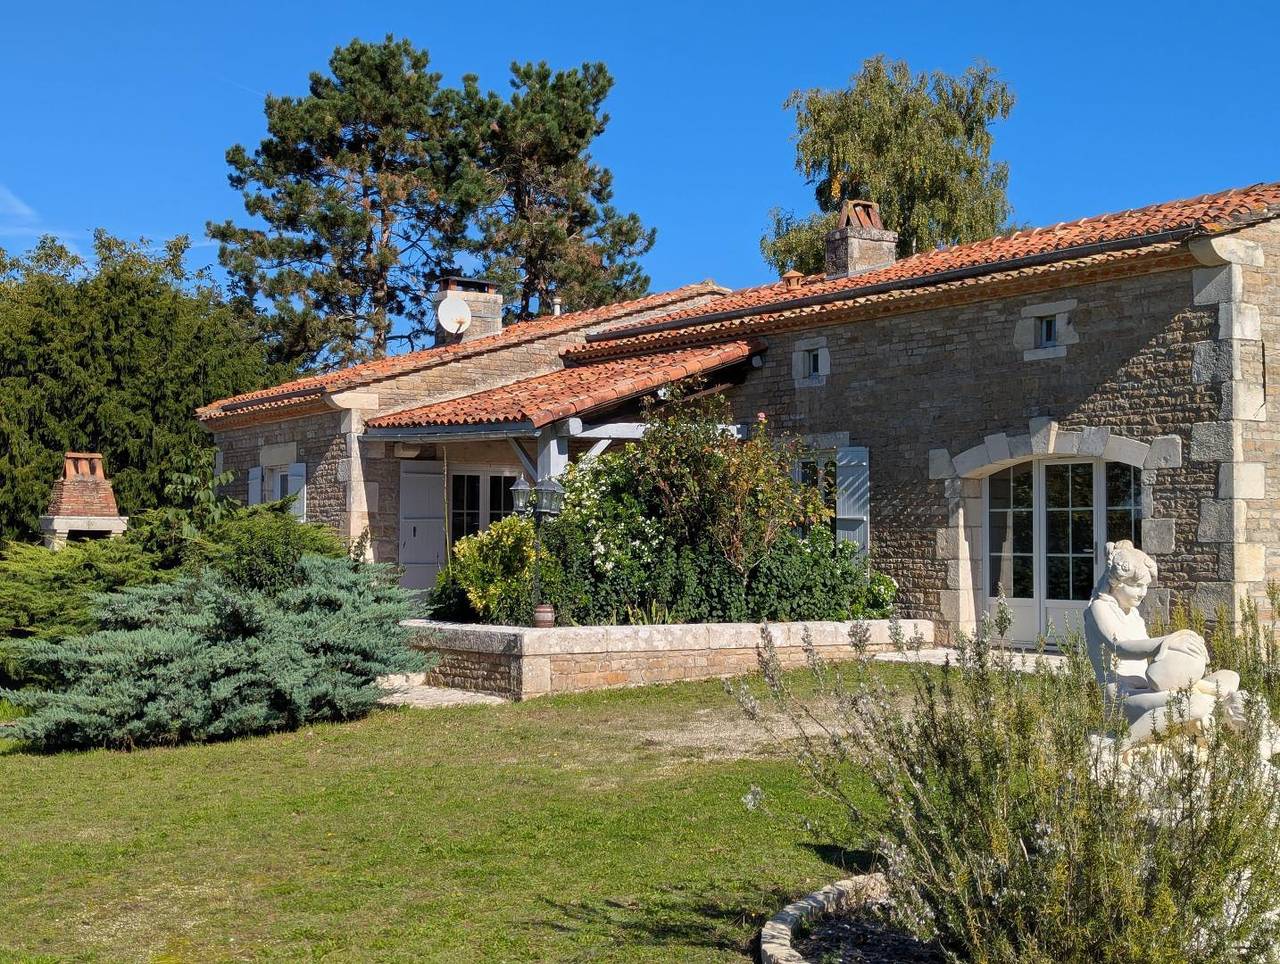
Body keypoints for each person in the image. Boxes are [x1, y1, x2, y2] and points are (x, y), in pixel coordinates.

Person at [1083, 540, 1241, 747]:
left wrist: (1188, 655)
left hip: (1148, 687)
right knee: (1197, 704)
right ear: (1116, 582)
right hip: (1123, 696)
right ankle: (1119, 744)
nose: (1142, 592)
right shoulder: (1099, 609)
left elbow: (1152, 657)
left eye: (1145, 586)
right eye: (1136, 586)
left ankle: (1206, 712)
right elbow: (1120, 647)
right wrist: (1169, 641)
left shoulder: (1134, 615)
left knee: (1229, 677)